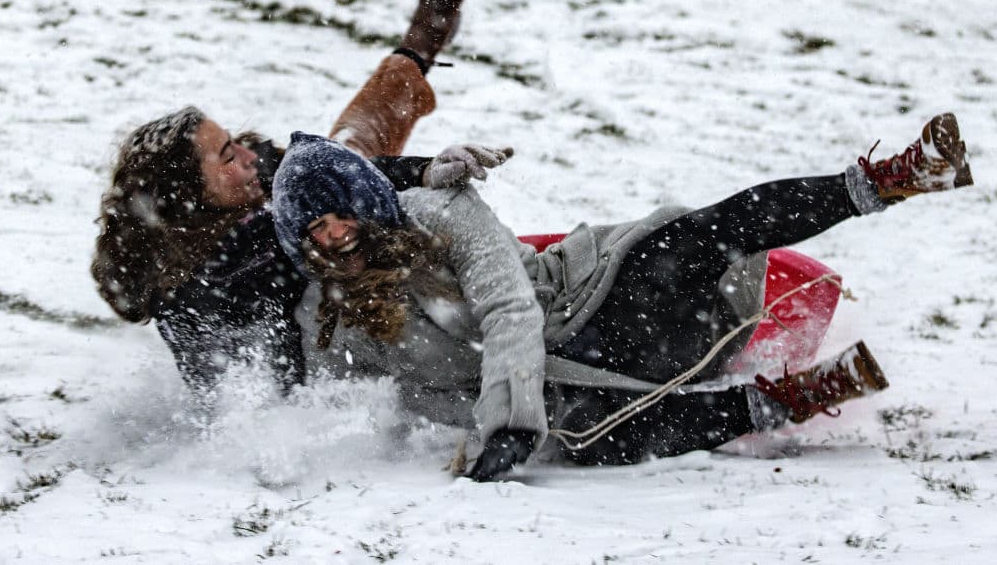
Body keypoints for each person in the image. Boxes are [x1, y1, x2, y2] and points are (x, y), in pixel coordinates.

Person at [270, 114, 973, 481]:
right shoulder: (332, 322)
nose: (334, 238)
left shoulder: (442, 211)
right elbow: (397, 393)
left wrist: (507, 424)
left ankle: (883, 179)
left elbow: (510, 307)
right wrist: (497, 425)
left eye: (339, 216)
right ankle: (788, 399)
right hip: (555, 388)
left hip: (588, 299)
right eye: (316, 231)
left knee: (695, 239)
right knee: (593, 439)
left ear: (364, 200)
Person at [90, 0, 508, 402]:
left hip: (331, 239)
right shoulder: (196, 290)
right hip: (339, 322)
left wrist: (424, 170)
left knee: (351, 145)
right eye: (227, 157)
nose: (247, 158)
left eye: (234, 143)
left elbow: (346, 173)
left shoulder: (263, 172)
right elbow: (240, 394)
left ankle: (418, 47)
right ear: (191, 194)